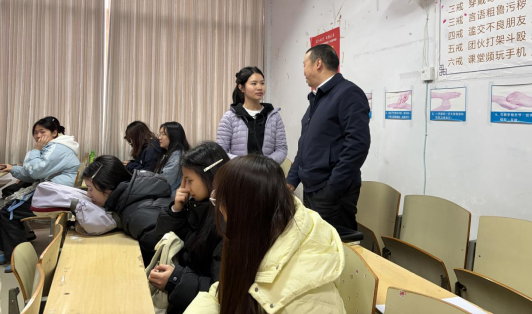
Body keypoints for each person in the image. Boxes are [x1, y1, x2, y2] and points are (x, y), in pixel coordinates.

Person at [184, 155, 345, 314]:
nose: (219, 209)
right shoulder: (263, 233)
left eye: (221, 200)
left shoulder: (306, 298)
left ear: (245, 211)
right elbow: (221, 293)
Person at [286, 44, 371, 230]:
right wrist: (291, 181)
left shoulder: (348, 93)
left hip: (331, 194)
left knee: (335, 245)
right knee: (315, 244)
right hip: (312, 189)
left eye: (304, 65)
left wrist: (332, 188)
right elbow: (305, 145)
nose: (303, 71)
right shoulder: (318, 97)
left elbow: (357, 145)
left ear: (318, 63)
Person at [149, 142, 229, 314]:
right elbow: (161, 237)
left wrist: (175, 279)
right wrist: (175, 210)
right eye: (183, 179)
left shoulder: (225, 220)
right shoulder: (195, 205)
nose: (184, 187)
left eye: (189, 180)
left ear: (211, 177)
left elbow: (221, 291)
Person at [0, 116, 80, 271]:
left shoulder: (58, 148)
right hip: (52, 191)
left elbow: (35, 171)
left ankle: (18, 258)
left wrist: (35, 150)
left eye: (42, 132)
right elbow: (33, 172)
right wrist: (13, 169)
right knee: (6, 205)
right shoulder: (55, 146)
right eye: (35, 132)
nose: (38, 136)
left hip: (54, 195)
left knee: (8, 212)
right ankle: (8, 250)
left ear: (54, 133)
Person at [83, 155, 172, 263]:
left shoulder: (137, 216)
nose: (88, 195)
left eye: (90, 189)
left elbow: (159, 254)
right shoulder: (132, 192)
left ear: (108, 187)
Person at [217, 66, 287, 164]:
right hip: (239, 171)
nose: (259, 87)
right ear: (241, 88)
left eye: (262, 83)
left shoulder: (274, 116)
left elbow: (281, 149)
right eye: (254, 83)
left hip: (267, 171)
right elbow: (220, 152)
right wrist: (245, 164)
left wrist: (265, 164)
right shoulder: (230, 117)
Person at [154, 122, 191, 193]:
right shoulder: (168, 154)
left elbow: (163, 184)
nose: (159, 137)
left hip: (171, 195)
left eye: (163, 134)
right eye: (160, 134)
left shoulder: (176, 157)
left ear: (174, 136)